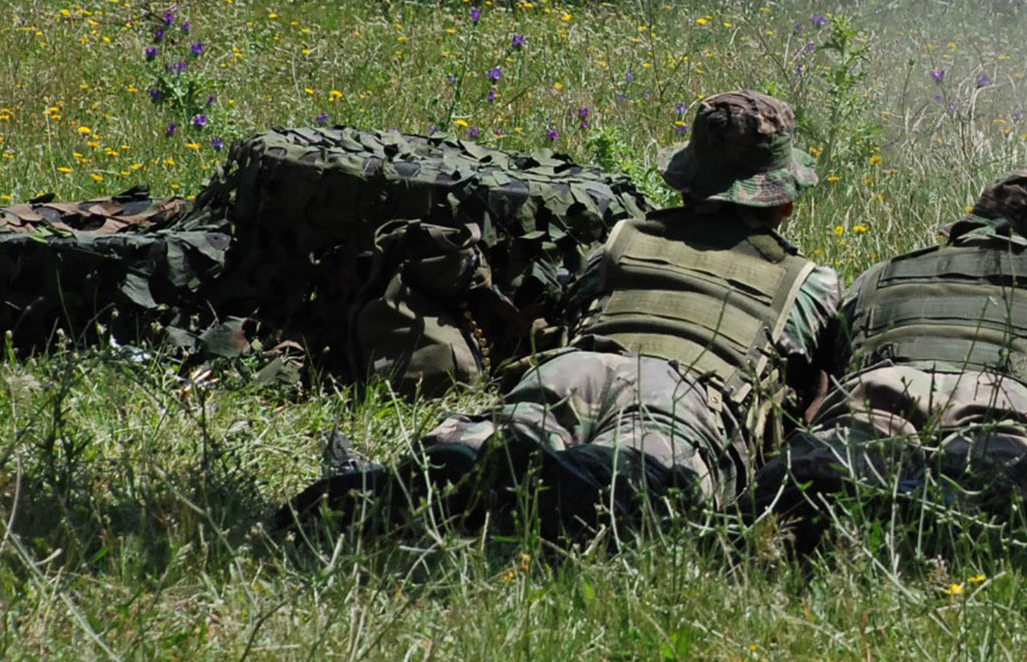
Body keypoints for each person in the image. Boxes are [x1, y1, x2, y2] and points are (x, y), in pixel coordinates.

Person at [283, 91, 841, 543]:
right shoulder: (807, 282)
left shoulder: (622, 239)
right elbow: (813, 393)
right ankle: (570, 484)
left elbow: (578, 305)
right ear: (783, 200)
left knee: (503, 433)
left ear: (686, 179)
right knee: (643, 484)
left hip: (577, 367)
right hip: (685, 392)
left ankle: (430, 472)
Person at [752, 171, 1027, 536]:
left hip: (873, 407)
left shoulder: (878, 277)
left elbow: (816, 399)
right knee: (1000, 509)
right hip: (1007, 430)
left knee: (795, 496)